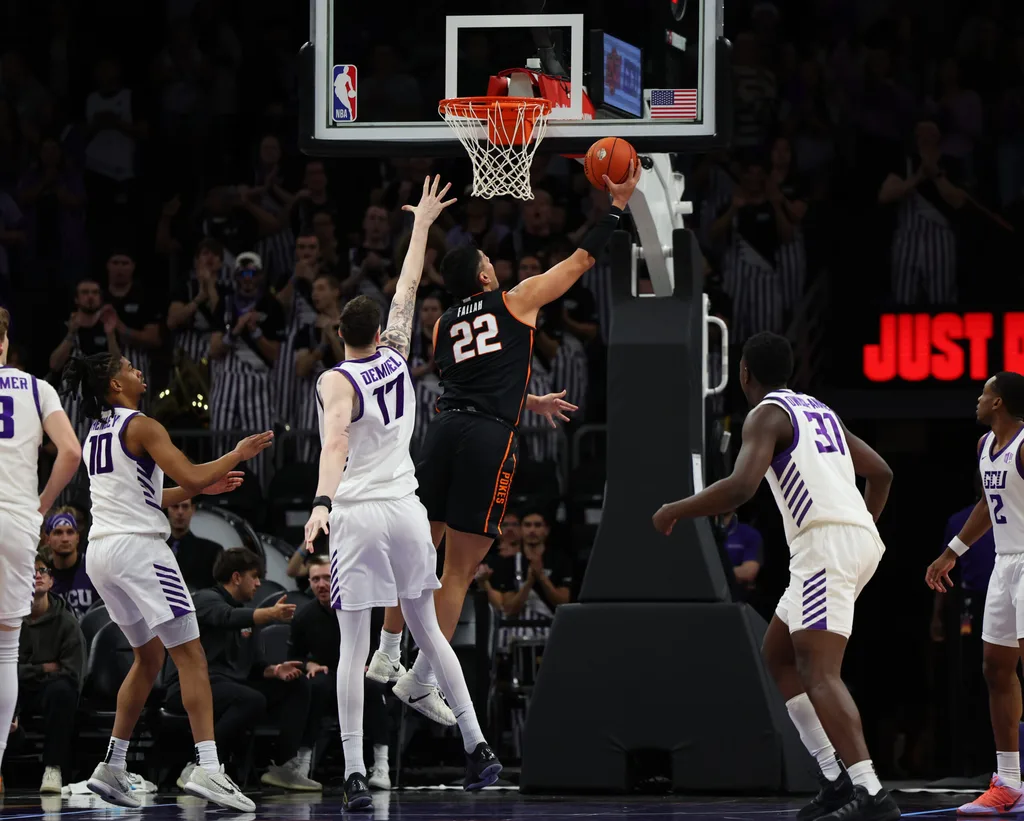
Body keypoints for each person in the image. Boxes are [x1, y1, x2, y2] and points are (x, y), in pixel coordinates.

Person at [370, 163, 642, 725]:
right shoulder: (516, 300)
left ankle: (386, 652)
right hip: (487, 437)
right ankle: (422, 679)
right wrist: (616, 208)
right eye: (491, 265)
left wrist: (527, 400)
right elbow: (581, 260)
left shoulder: (443, 324)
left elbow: (474, 380)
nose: (497, 268)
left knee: (419, 552)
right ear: (486, 278)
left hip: (443, 431)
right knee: (458, 571)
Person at [303, 175, 503, 811]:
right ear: (377, 328)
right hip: (408, 511)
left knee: (354, 650)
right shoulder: (396, 355)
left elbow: (335, 445)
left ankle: (357, 773)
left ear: (340, 332)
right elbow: (410, 284)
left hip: (359, 514)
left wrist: (320, 505)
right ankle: (477, 746)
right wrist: (420, 226)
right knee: (432, 634)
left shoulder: (339, 379)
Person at [652, 332, 899, 821]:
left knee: (820, 671)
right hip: (849, 540)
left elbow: (741, 487)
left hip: (825, 544)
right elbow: (883, 473)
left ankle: (870, 793)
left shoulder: (766, 413)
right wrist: (859, 529)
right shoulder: (820, 410)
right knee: (780, 653)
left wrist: (674, 509)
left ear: (744, 373)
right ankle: (832, 778)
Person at [60, 351, 272, 811]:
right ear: (115, 385)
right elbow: (191, 473)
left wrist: (199, 488)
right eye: (128, 368)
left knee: (149, 657)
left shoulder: (99, 429)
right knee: (192, 655)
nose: (139, 371)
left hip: (102, 554)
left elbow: (153, 493)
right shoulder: (142, 425)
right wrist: (235, 454)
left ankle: (113, 766)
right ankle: (211, 769)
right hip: (141, 551)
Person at [926, 372, 1024, 814]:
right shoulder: (986, 446)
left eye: (984, 393)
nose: (978, 399)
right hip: (1004, 566)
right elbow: (988, 503)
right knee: (995, 668)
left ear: (999, 402)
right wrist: (951, 552)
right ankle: (1009, 782)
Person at [0, 307, 81, 785]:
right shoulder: (35, 387)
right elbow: (70, 451)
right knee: (7, 650)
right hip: (15, 518)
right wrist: (40, 507)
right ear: (6, 343)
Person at [167, 548, 323, 792]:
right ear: (237, 577)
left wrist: (276, 670)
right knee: (250, 699)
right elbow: (227, 617)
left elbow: (253, 667)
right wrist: (269, 614)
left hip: (230, 685)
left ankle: (283, 766)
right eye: (255, 576)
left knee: (297, 685)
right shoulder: (205, 599)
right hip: (190, 686)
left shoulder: (248, 616)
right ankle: (199, 766)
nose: (259, 584)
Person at [287, 555, 392, 790]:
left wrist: (374, 661)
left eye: (327, 577)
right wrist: (308, 666)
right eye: (315, 579)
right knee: (314, 686)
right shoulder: (304, 616)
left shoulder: (369, 608)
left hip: (363, 671)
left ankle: (381, 765)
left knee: (372, 685)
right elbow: (293, 656)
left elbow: (389, 642)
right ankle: (302, 765)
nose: (321, 584)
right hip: (328, 673)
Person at [18, 552, 87, 794]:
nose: (37, 576)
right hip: (19, 690)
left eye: (42, 571)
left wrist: (27, 671)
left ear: (51, 581)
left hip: (50, 691)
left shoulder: (67, 623)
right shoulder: (10, 620)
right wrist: (44, 667)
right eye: (30, 572)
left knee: (63, 691)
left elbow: (71, 673)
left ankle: (53, 768)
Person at [44, 507, 100, 618]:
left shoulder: (94, 568)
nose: (65, 539)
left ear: (77, 538)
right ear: (47, 539)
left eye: (70, 532)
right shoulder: (42, 575)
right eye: (58, 532)